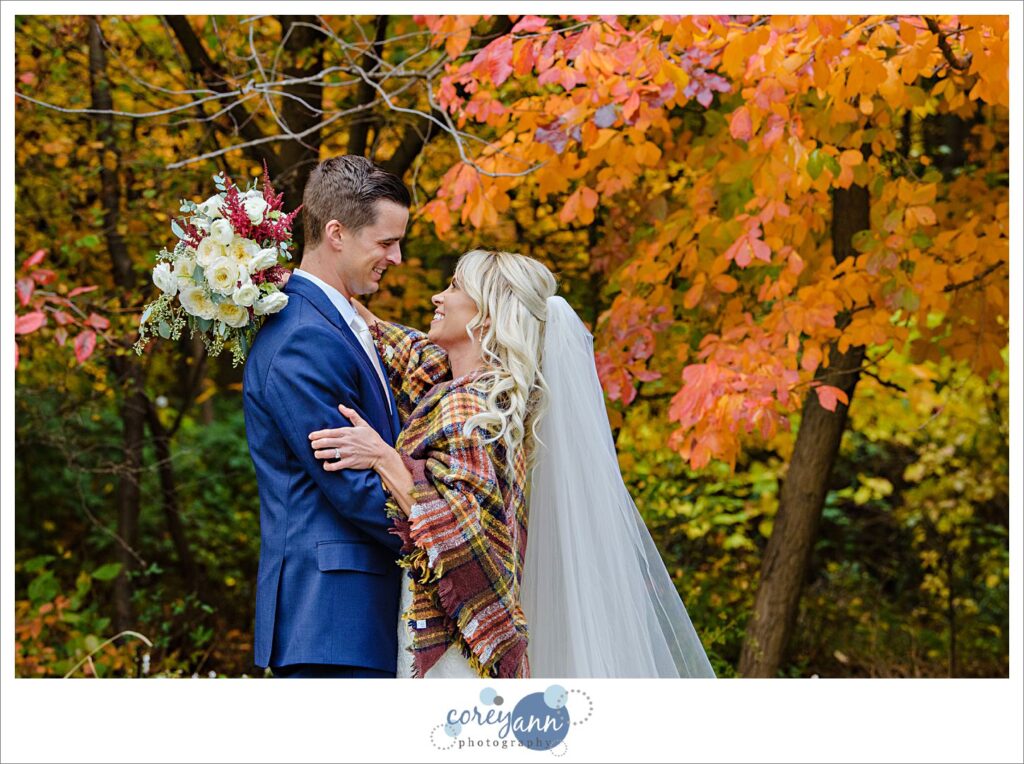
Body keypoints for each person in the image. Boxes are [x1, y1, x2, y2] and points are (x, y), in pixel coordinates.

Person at [308, 249, 717, 678]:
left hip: (458, 647)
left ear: (485, 317)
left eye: (453, 287)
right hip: (449, 632)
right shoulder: (474, 391)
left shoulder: (472, 410)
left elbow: (460, 532)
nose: (437, 297)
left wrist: (382, 457)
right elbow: (400, 348)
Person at [242, 155, 410, 678]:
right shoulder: (303, 339)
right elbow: (354, 487)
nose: (398, 258)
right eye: (385, 243)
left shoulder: (339, 323)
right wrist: (451, 529)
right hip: (333, 621)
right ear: (336, 233)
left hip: (353, 620)